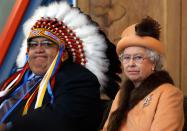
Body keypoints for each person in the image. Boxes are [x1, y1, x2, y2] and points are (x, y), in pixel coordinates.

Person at [0, 2, 121, 131]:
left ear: (62, 52)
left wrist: (8, 127)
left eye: (47, 44)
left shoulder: (79, 78)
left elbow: (61, 119)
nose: (38, 49)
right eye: (33, 45)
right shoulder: (14, 81)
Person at [102, 16, 184, 131]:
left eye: (138, 57)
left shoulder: (169, 94)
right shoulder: (121, 93)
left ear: (154, 62)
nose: (131, 63)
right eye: (126, 58)